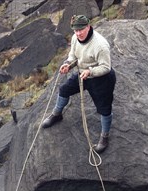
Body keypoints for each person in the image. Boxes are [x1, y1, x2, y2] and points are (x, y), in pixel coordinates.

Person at [42, 14, 116, 153]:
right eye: (75, 30)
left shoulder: (100, 45)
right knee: (64, 90)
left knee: (104, 109)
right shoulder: (75, 38)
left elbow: (106, 67)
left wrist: (90, 71)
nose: (78, 33)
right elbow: (73, 55)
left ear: (88, 26)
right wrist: (67, 64)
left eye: (81, 30)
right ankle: (57, 114)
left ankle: (105, 136)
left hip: (101, 79)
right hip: (83, 74)